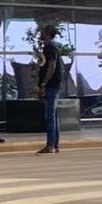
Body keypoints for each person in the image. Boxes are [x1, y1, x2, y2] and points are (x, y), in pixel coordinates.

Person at [34, 23, 66, 154]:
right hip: (54, 85)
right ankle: (55, 144)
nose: (40, 34)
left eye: (43, 32)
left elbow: (51, 66)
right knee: (54, 115)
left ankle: (50, 145)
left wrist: (43, 84)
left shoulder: (50, 48)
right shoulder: (51, 47)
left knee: (50, 115)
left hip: (51, 85)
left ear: (47, 34)